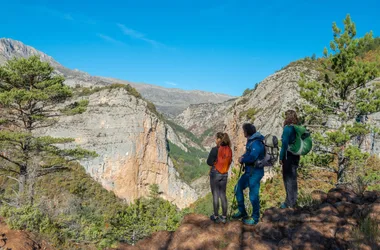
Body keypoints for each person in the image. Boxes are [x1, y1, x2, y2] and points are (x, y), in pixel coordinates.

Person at [231, 123, 265, 225]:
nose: (243, 132)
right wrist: (243, 157)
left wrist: (243, 159)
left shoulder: (256, 143)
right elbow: (248, 154)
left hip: (255, 173)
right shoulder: (251, 141)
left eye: (244, 130)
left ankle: (255, 218)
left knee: (253, 196)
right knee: (237, 188)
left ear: (247, 131)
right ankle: (242, 212)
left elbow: (252, 157)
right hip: (249, 172)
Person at [207, 132, 232, 224]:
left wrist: (214, 163)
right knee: (223, 194)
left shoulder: (215, 149)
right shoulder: (228, 149)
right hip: (224, 174)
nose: (215, 140)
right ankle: (224, 217)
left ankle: (216, 216)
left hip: (215, 173)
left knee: (215, 195)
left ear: (218, 139)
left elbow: (209, 162)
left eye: (216, 138)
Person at [279, 110, 300, 209]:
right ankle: (294, 200)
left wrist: (281, 157)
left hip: (288, 155)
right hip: (296, 155)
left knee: (287, 179)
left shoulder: (287, 129)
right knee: (293, 178)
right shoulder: (297, 128)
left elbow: (284, 145)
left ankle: (289, 202)